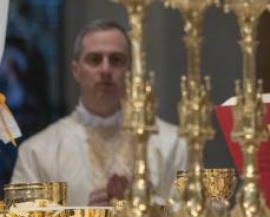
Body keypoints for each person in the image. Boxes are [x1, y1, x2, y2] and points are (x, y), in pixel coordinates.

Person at [12, 20, 186, 205]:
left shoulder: (174, 145)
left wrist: (144, 208)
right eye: (94, 60)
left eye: (116, 60)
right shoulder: (37, 152)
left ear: (132, 71)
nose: (105, 69)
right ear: (76, 70)